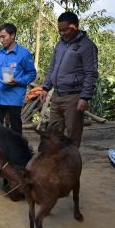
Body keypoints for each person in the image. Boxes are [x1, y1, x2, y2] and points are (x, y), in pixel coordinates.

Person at [40, 12, 98, 147]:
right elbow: (52, 67)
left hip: (74, 97)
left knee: (73, 135)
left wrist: (85, 97)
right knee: (53, 133)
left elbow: (91, 73)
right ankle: (55, 164)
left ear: (74, 27)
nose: (62, 33)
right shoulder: (59, 45)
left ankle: (71, 164)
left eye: (65, 30)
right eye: (60, 30)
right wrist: (45, 87)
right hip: (57, 95)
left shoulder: (87, 46)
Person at [0, 23, 37, 135]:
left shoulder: (24, 54)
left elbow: (31, 74)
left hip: (14, 98)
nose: (1, 40)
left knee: (15, 128)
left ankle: (16, 151)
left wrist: (18, 81)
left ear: (13, 35)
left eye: (3, 36)